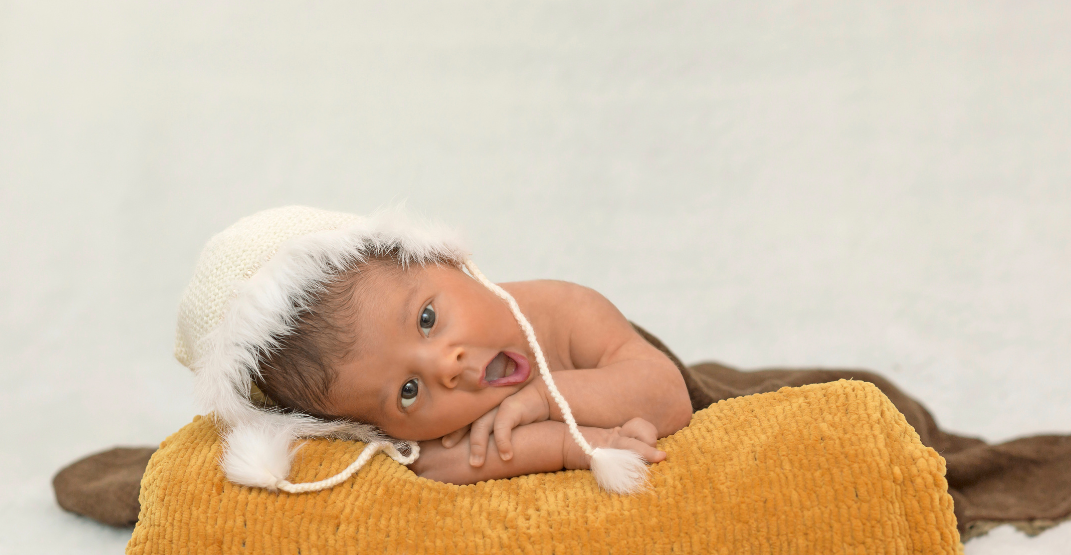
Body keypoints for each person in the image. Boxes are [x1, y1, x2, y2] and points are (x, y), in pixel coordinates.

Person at [175, 206, 691, 494]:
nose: (446, 366)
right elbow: (432, 466)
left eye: (427, 319)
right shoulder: (431, 435)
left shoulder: (563, 310)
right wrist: (566, 445)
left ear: (445, 257)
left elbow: (670, 394)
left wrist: (542, 401)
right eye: (407, 391)